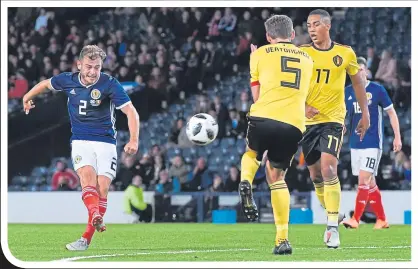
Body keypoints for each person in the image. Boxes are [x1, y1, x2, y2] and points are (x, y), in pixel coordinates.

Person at [22, 45, 140, 251]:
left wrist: (133, 140)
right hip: (80, 141)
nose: (93, 71)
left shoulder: (110, 84)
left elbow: (131, 112)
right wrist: (27, 97)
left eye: (97, 67)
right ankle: (94, 217)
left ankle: (86, 237)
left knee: (102, 188)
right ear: (79, 65)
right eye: (89, 66)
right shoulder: (67, 80)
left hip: (106, 142)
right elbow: (45, 84)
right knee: (87, 178)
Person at [238, 14, 313, 255]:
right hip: (293, 123)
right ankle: (282, 240)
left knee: (252, 152)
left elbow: (256, 97)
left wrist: (256, 58)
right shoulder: (308, 59)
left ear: (269, 37)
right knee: (278, 178)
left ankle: (246, 181)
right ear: (292, 35)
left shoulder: (259, 54)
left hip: (263, 117)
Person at [298, 9, 370, 249]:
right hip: (307, 122)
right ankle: (334, 212)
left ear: (327, 26)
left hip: (334, 120)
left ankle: (331, 228)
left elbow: (358, 82)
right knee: (315, 175)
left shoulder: (345, 53)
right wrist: (304, 105)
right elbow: (290, 85)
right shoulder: (302, 53)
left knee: (329, 169)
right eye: (308, 25)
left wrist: (365, 113)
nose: (311, 29)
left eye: (316, 24)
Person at [343, 57, 402, 229]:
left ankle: (356, 219)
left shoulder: (377, 90)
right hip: (355, 144)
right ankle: (382, 219)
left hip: (373, 143)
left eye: (361, 69)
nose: (359, 72)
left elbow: (391, 113)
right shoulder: (348, 92)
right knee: (370, 183)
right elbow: (342, 115)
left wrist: (397, 136)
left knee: (363, 180)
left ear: (367, 71)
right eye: (356, 70)